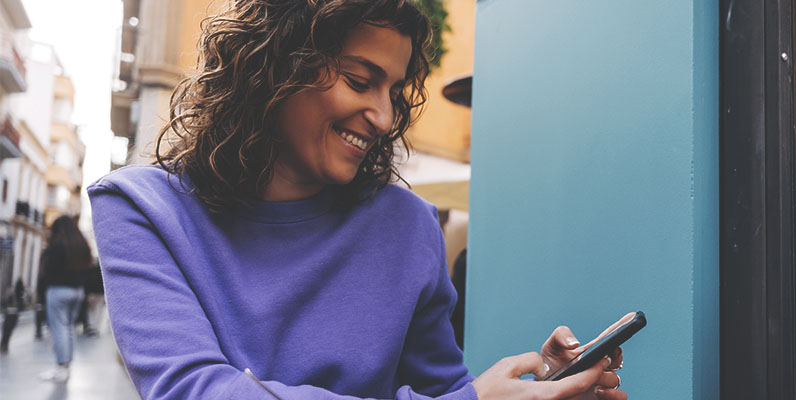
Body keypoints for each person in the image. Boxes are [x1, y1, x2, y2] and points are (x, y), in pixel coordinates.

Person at [88, 1, 628, 399]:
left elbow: (443, 390)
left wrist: (541, 391)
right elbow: (191, 389)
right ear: (272, 66)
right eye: (359, 80)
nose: (385, 116)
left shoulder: (409, 225)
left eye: (393, 90)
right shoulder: (141, 210)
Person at [37, 215, 93, 382]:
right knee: (68, 328)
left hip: (58, 290)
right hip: (77, 291)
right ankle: (66, 366)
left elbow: (47, 270)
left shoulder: (57, 246)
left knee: (58, 329)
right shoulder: (81, 245)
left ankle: (61, 367)